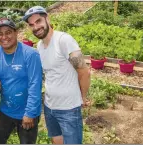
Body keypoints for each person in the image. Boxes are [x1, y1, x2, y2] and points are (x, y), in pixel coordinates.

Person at [23, 6, 91, 144]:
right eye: (31, 25)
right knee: (56, 141)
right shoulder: (40, 46)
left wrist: (83, 97)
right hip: (50, 107)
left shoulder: (63, 40)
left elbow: (84, 72)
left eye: (38, 21)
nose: (35, 27)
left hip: (69, 109)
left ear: (47, 18)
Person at [0, 18, 43, 144]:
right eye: (0, 34)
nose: (4, 37)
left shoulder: (30, 55)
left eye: (8, 32)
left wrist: (30, 113)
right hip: (5, 110)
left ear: (16, 32)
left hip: (27, 111)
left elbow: (35, 85)